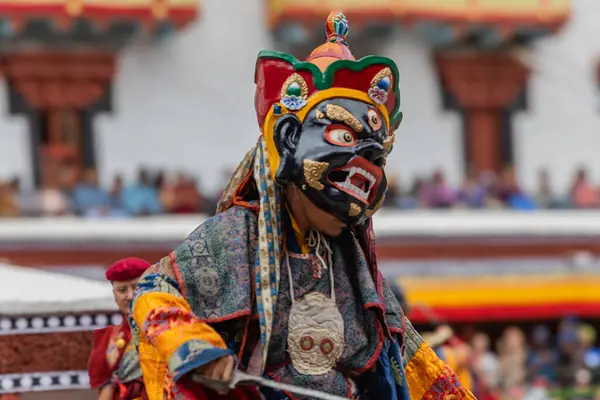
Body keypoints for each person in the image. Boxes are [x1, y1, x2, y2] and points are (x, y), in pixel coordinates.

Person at [130, 11, 475, 400]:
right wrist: (199, 350)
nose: (369, 163)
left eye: (378, 156)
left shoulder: (353, 259)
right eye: (344, 136)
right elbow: (154, 291)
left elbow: (408, 359)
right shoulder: (237, 236)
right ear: (288, 138)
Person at [88, 257, 152, 399]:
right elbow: (107, 388)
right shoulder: (109, 339)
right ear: (114, 295)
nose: (130, 296)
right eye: (122, 290)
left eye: (136, 287)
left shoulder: (169, 326)